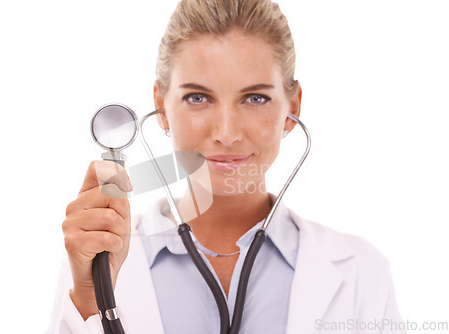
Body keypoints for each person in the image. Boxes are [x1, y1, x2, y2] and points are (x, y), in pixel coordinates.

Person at [48, 0, 405, 333]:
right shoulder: (99, 258)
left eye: (255, 98)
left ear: (292, 108)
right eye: (198, 98)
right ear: (161, 105)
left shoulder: (361, 270)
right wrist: (91, 298)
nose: (227, 133)